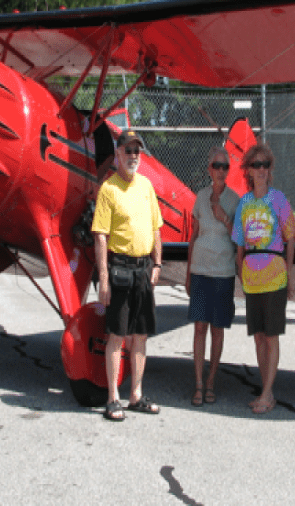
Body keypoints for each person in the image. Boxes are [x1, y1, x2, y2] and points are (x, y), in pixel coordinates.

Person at [92, 129, 164, 422]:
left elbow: (156, 227)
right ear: (118, 154)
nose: (133, 155)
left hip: (143, 271)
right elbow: (100, 236)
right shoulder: (108, 189)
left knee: (141, 336)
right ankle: (113, 397)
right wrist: (104, 279)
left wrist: (157, 264)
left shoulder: (146, 186)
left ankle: (136, 394)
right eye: (128, 150)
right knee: (117, 336)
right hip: (120, 268)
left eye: (137, 151)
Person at [231, 143, 295, 415]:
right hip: (252, 278)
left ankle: (268, 392)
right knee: (258, 337)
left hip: (274, 277)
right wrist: (242, 272)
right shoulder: (244, 203)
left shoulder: (279, 200)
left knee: (271, 336)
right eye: (255, 165)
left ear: (270, 170)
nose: (260, 170)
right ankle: (264, 389)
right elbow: (239, 244)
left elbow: (291, 238)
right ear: (248, 170)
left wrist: (287, 272)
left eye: (264, 165)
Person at [185, 147, 240, 406]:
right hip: (200, 270)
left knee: (217, 330)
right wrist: (188, 272)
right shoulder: (200, 197)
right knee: (199, 328)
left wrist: (225, 219)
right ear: (209, 169)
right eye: (216, 166)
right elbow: (194, 234)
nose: (220, 170)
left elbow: (240, 239)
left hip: (223, 272)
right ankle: (197, 383)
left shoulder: (235, 200)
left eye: (225, 167)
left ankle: (211, 382)